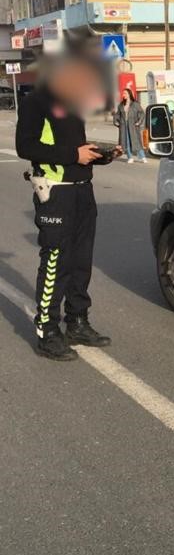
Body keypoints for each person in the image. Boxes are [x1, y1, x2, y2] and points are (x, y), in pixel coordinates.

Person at [15, 45, 122, 361]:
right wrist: (74, 155)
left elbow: (76, 151)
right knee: (55, 262)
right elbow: (26, 147)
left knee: (80, 262)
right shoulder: (36, 102)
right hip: (56, 193)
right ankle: (47, 331)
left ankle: (77, 321)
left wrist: (100, 157)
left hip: (81, 191)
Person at [114, 87, 147, 163]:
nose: (123, 95)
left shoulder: (135, 104)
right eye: (123, 93)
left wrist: (139, 122)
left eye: (125, 93)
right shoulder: (121, 105)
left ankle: (142, 157)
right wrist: (116, 121)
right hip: (124, 126)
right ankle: (130, 157)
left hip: (133, 126)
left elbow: (142, 113)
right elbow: (117, 115)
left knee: (136, 141)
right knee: (126, 142)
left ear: (129, 94)